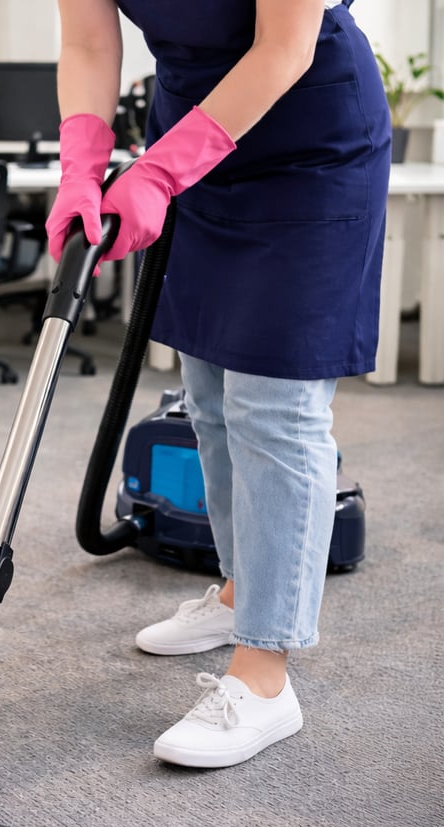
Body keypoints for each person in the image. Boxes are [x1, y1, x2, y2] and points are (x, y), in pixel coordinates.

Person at [46, 0, 391, 768]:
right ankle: (241, 593)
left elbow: (284, 46)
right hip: (195, 141)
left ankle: (265, 674)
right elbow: (85, 41)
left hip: (307, 141)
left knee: (275, 406)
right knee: (206, 395)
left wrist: (160, 171)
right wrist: (80, 166)